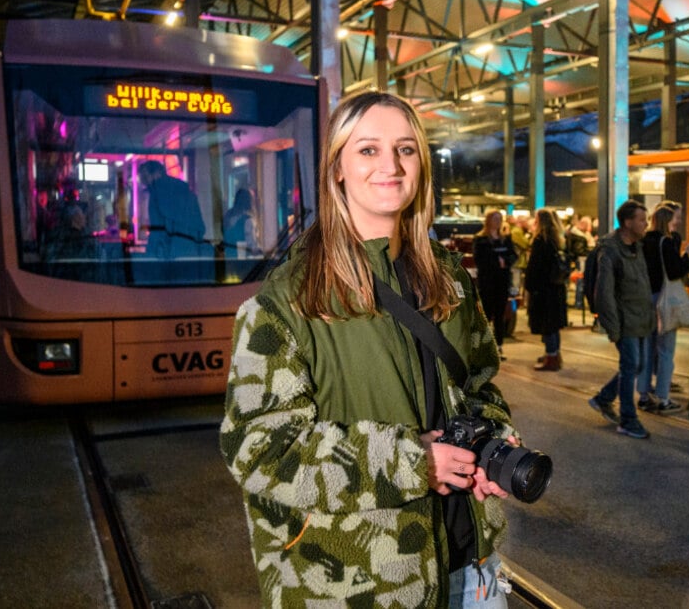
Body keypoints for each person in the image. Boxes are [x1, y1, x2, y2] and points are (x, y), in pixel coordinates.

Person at [219, 91, 519, 607]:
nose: (391, 166)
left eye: (405, 149)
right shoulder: (287, 303)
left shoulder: (448, 279)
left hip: (471, 567)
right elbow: (258, 449)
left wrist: (493, 441)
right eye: (368, 150)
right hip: (359, 583)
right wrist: (411, 462)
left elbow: (478, 383)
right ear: (337, 168)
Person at [587, 199, 653, 440]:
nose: (646, 224)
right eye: (642, 220)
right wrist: (613, 327)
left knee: (638, 366)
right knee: (630, 366)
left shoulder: (637, 246)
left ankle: (603, 398)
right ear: (627, 222)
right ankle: (628, 419)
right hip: (625, 321)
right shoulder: (611, 250)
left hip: (640, 319)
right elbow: (603, 292)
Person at [635, 203, 689, 412]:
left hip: (645, 299)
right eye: (676, 218)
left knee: (647, 349)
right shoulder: (666, 242)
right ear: (668, 220)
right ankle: (663, 398)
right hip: (663, 301)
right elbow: (675, 272)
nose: (678, 221)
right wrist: (687, 254)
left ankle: (643, 395)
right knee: (665, 351)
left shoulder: (643, 241)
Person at [526, 209, 569, 371]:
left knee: (547, 324)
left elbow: (534, 267)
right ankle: (554, 354)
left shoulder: (540, 240)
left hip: (543, 290)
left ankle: (551, 358)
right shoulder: (558, 239)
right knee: (554, 325)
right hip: (556, 288)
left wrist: (530, 287)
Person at [138, 160, 206, 259]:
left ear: (157, 173)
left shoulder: (156, 193)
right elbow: (200, 227)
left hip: (168, 255)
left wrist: (151, 255)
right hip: (192, 252)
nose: (145, 182)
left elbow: (157, 230)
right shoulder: (187, 193)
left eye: (145, 177)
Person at [473, 209, 518, 359]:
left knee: (500, 314)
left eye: (500, 218)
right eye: (495, 218)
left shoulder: (505, 238)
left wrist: (505, 262)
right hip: (487, 281)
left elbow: (513, 255)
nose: (498, 221)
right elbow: (479, 260)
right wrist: (496, 262)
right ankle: (485, 347)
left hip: (502, 281)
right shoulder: (481, 239)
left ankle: (498, 346)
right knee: (486, 314)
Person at [222, 187, 262, 258]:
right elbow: (251, 245)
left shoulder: (228, 216)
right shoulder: (248, 220)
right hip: (242, 262)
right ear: (249, 202)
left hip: (228, 260)